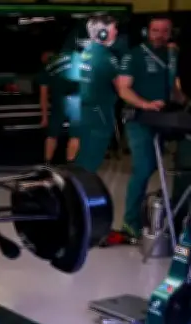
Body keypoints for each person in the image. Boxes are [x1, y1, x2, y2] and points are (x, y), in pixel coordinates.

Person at [115, 16, 183, 241]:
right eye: (155, 30)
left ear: (171, 32)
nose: (159, 35)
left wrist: (182, 99)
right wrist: (146, 104)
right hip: (139, 119)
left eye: (164, 31)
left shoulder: (173, 55)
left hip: (165, 119)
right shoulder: (133, 55)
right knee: (143, 168)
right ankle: (130, 222)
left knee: (159, 167)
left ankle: (166, 218)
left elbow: (175, 88)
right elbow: (124, 89)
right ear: (147, 31)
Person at [73, 15, 121, 173]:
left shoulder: (86, 51)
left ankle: (77, 184)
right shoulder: (106, 57)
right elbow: (122, 88)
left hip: (84, 111)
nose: (116, 32)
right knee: (92, 159)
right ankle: (83, 186)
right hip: (100, 112)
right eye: (113, 29)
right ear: (102, 33)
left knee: (84, 155)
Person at [37, 50, 78, 163]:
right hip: (76, 102)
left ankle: (47, 163)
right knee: (75, 135)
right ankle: (71, 164)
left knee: (52, 135)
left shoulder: (47, 68)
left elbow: (43, 95)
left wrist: (44, 117)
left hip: (59, 103)